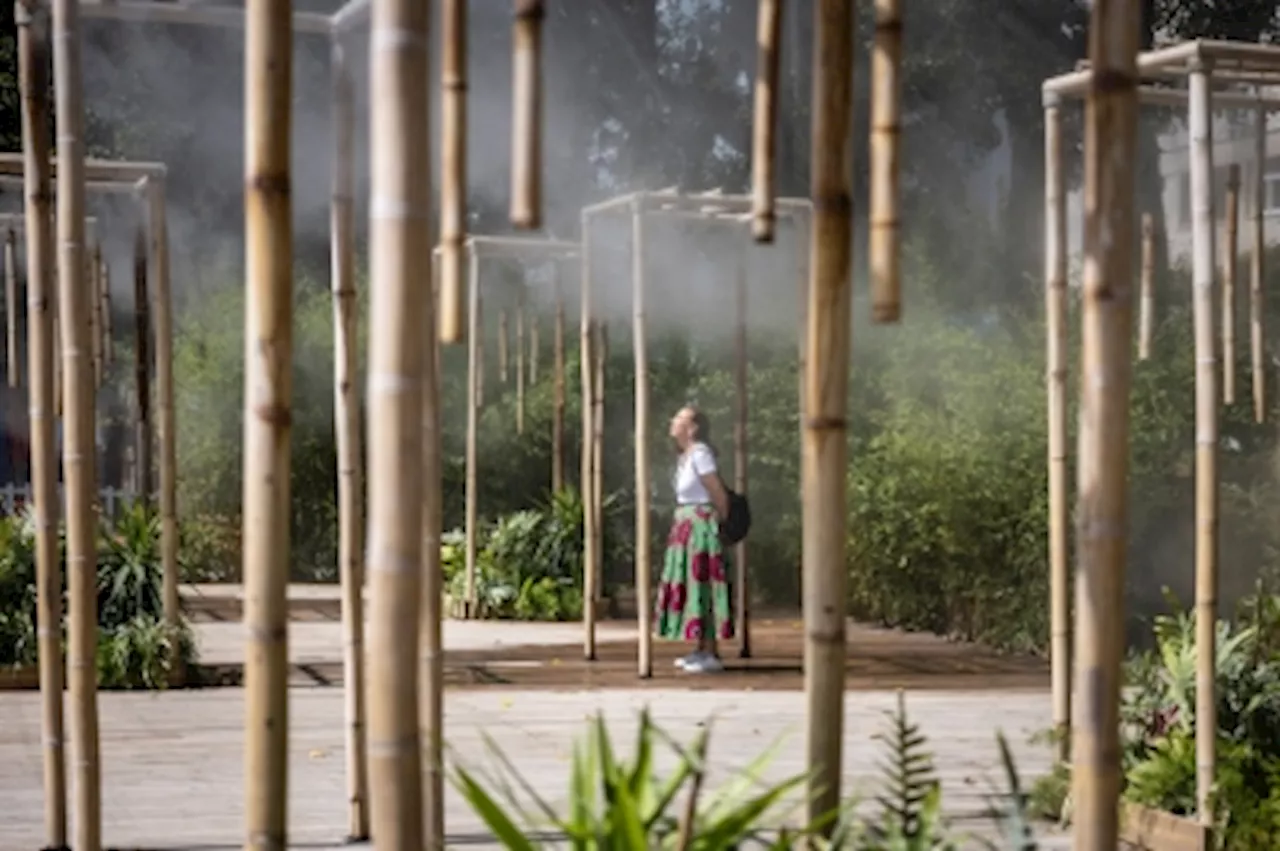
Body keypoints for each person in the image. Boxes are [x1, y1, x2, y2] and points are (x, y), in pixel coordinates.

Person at [655, 404, 732, 673]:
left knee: (703, 583)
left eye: (679, 419)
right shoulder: (686, 456)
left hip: (700, 525)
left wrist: (720, 525)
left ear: (693, 428)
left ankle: (710, 651)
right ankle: (699, 648)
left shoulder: (700, 454)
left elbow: (717, 492)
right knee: (690, 585)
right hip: (686, 525)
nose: (673, 422)